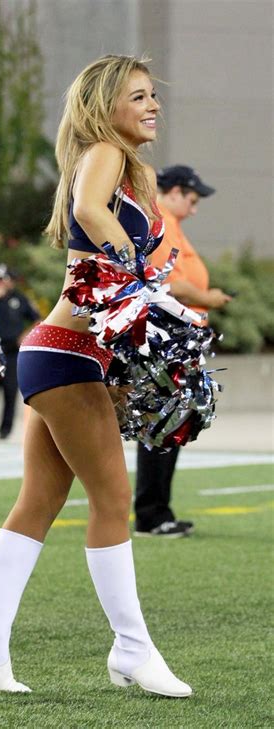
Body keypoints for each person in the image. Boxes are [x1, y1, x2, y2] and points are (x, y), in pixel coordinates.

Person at [0, 55, 192, 697]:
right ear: (106, 106)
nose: (153, 106)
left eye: (153, 96)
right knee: (113, 500)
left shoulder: (128, 167)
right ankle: (133, 651)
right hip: (64, 352)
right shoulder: (104, 152)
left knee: (40, 501)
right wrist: (138, 282)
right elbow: (88, 210)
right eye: (138, 96)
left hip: (67, 351)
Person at [134, 165, 232, 538]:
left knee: (172, 423)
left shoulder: (170, 227)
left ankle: (158, 510)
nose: (194, 208)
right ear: (173, 191)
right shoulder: (159, 223)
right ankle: (151, 513)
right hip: (166, 339)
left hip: (179, 339)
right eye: (191, 200)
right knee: (162, 423)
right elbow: (167, 283)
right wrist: (207, 298)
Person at [0, 264, 40, 439]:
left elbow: (37, 319)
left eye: (4, 280)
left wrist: (25, 335)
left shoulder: (20, 299)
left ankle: (5, 430)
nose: (1, 283)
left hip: (11, 351)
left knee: (10, 391)